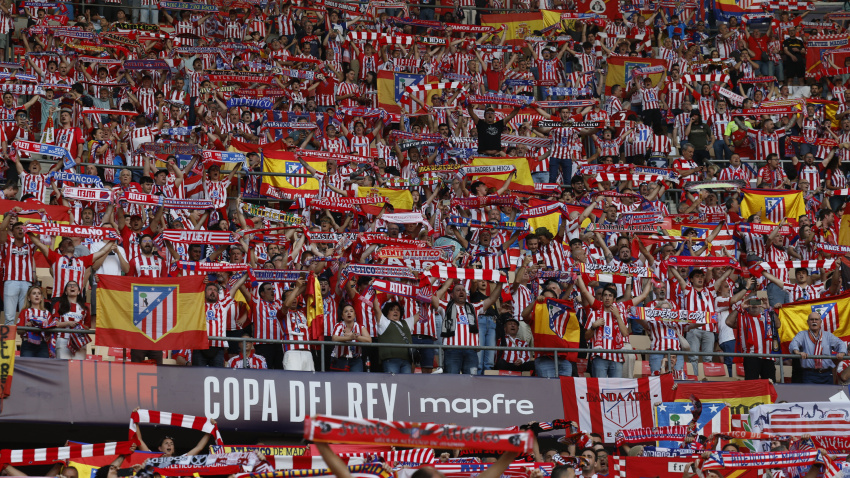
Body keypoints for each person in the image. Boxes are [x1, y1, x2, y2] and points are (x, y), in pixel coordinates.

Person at [789, 312, 846, 384]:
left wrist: (842, 353)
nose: (814, 321)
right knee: (810, 395)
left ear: (820, 322)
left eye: (816, 319)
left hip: (827, 374)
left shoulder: (828, 335)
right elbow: (794, 343)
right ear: (808, 322)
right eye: (811, 319)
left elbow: (841, 344)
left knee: (828, 395)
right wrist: (798, 352)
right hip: (809, 374)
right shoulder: (802, 334)